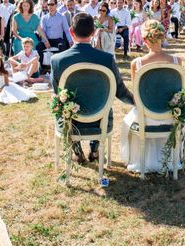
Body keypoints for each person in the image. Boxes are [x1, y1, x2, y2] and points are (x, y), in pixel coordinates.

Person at [52, 12, 134, 164]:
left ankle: (77, 152)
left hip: (71, 121)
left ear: (71, 31)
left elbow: (57, 95)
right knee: (103, 108)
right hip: (100, 121)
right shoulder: (106, 59)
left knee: (63, 107)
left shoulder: (56, 60)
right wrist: (137, 101)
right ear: (93, 32)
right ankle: (95, 150)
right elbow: (120, 91)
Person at [120, 20, 185, 173]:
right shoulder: (177, 61)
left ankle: (141, 159)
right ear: (162, 37)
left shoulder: (136, 63)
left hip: (146, 117)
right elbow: (181, 93)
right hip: (171, 116)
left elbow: (137, 97)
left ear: (144, 40)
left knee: (128, 120)